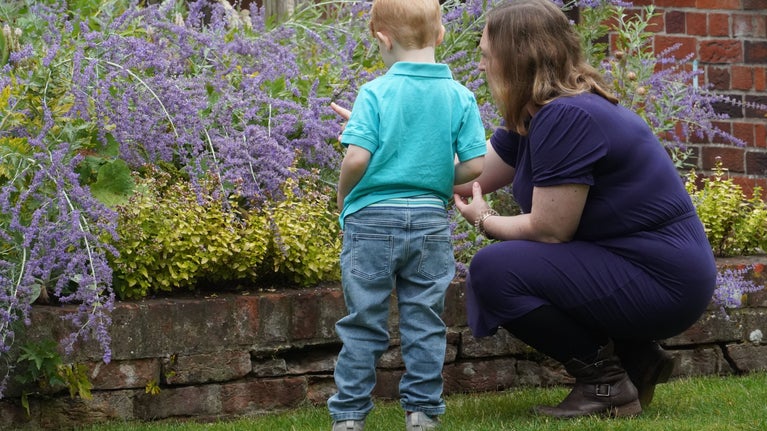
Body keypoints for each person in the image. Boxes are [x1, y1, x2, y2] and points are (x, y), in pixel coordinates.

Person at [452, 0, 717, 419]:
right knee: (509, 266)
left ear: (515, 58)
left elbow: (551, 229)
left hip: (664, 278)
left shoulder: (565, 117)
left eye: (486, 56)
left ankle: (605, 383)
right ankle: (636, 357)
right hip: (638, 264)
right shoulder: (536, 113)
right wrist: (382, 146)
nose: (482, 66)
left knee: (495, 271)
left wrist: (485, 221)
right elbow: (467, 178)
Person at [327, 0, 487, 429]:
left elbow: (359, 157)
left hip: (371, 222)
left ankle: (348, 417)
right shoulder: (460, 95)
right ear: (440, 36)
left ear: (383, 39)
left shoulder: (375, 92)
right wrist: (434, 172)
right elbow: (474, 166)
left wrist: (345, 195)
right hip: (430, 225)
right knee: (423, 320)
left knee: (363, 321)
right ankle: (421, 413)